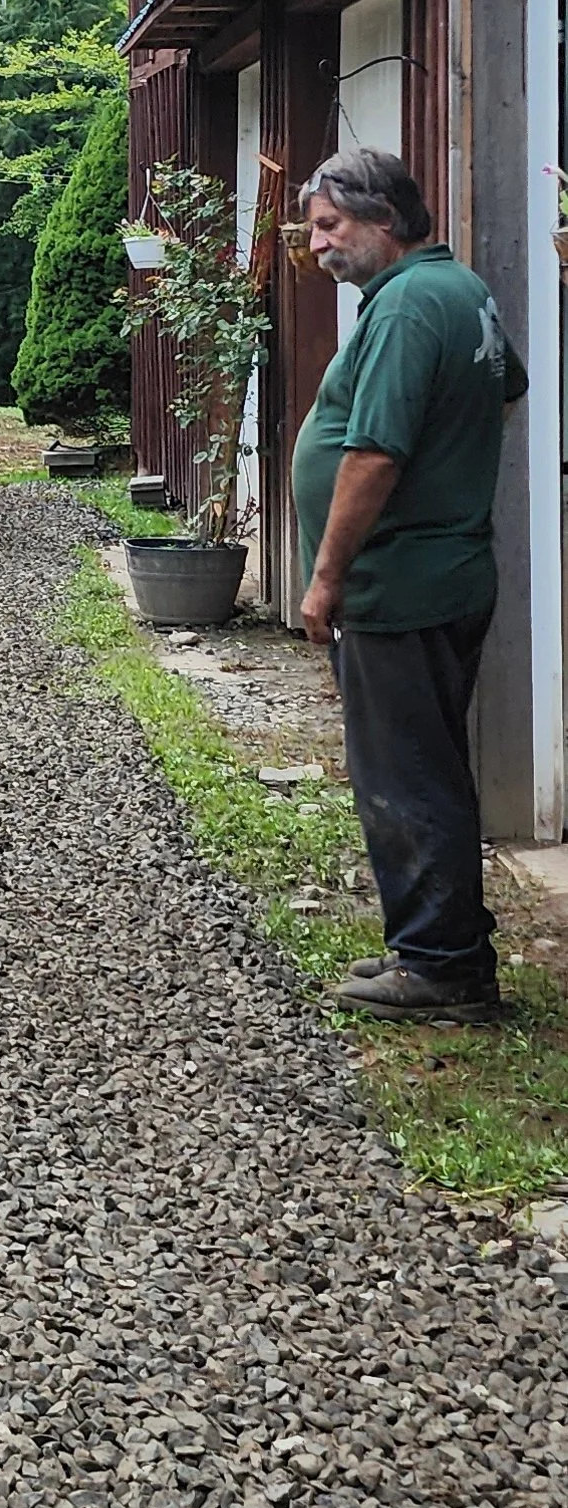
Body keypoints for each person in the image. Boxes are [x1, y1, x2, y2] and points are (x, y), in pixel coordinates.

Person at [292, 147, 526, 1026]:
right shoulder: (458, 291)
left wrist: (326, 578)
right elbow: (505, 391)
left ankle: (442, 967)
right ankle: (438, 939)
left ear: (384, 219)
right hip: (448, 569)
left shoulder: (403, 310)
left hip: (402, 583)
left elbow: (375, 452)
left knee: (407, 774)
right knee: (429, 765)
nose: (317, 245)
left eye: (330, 225)